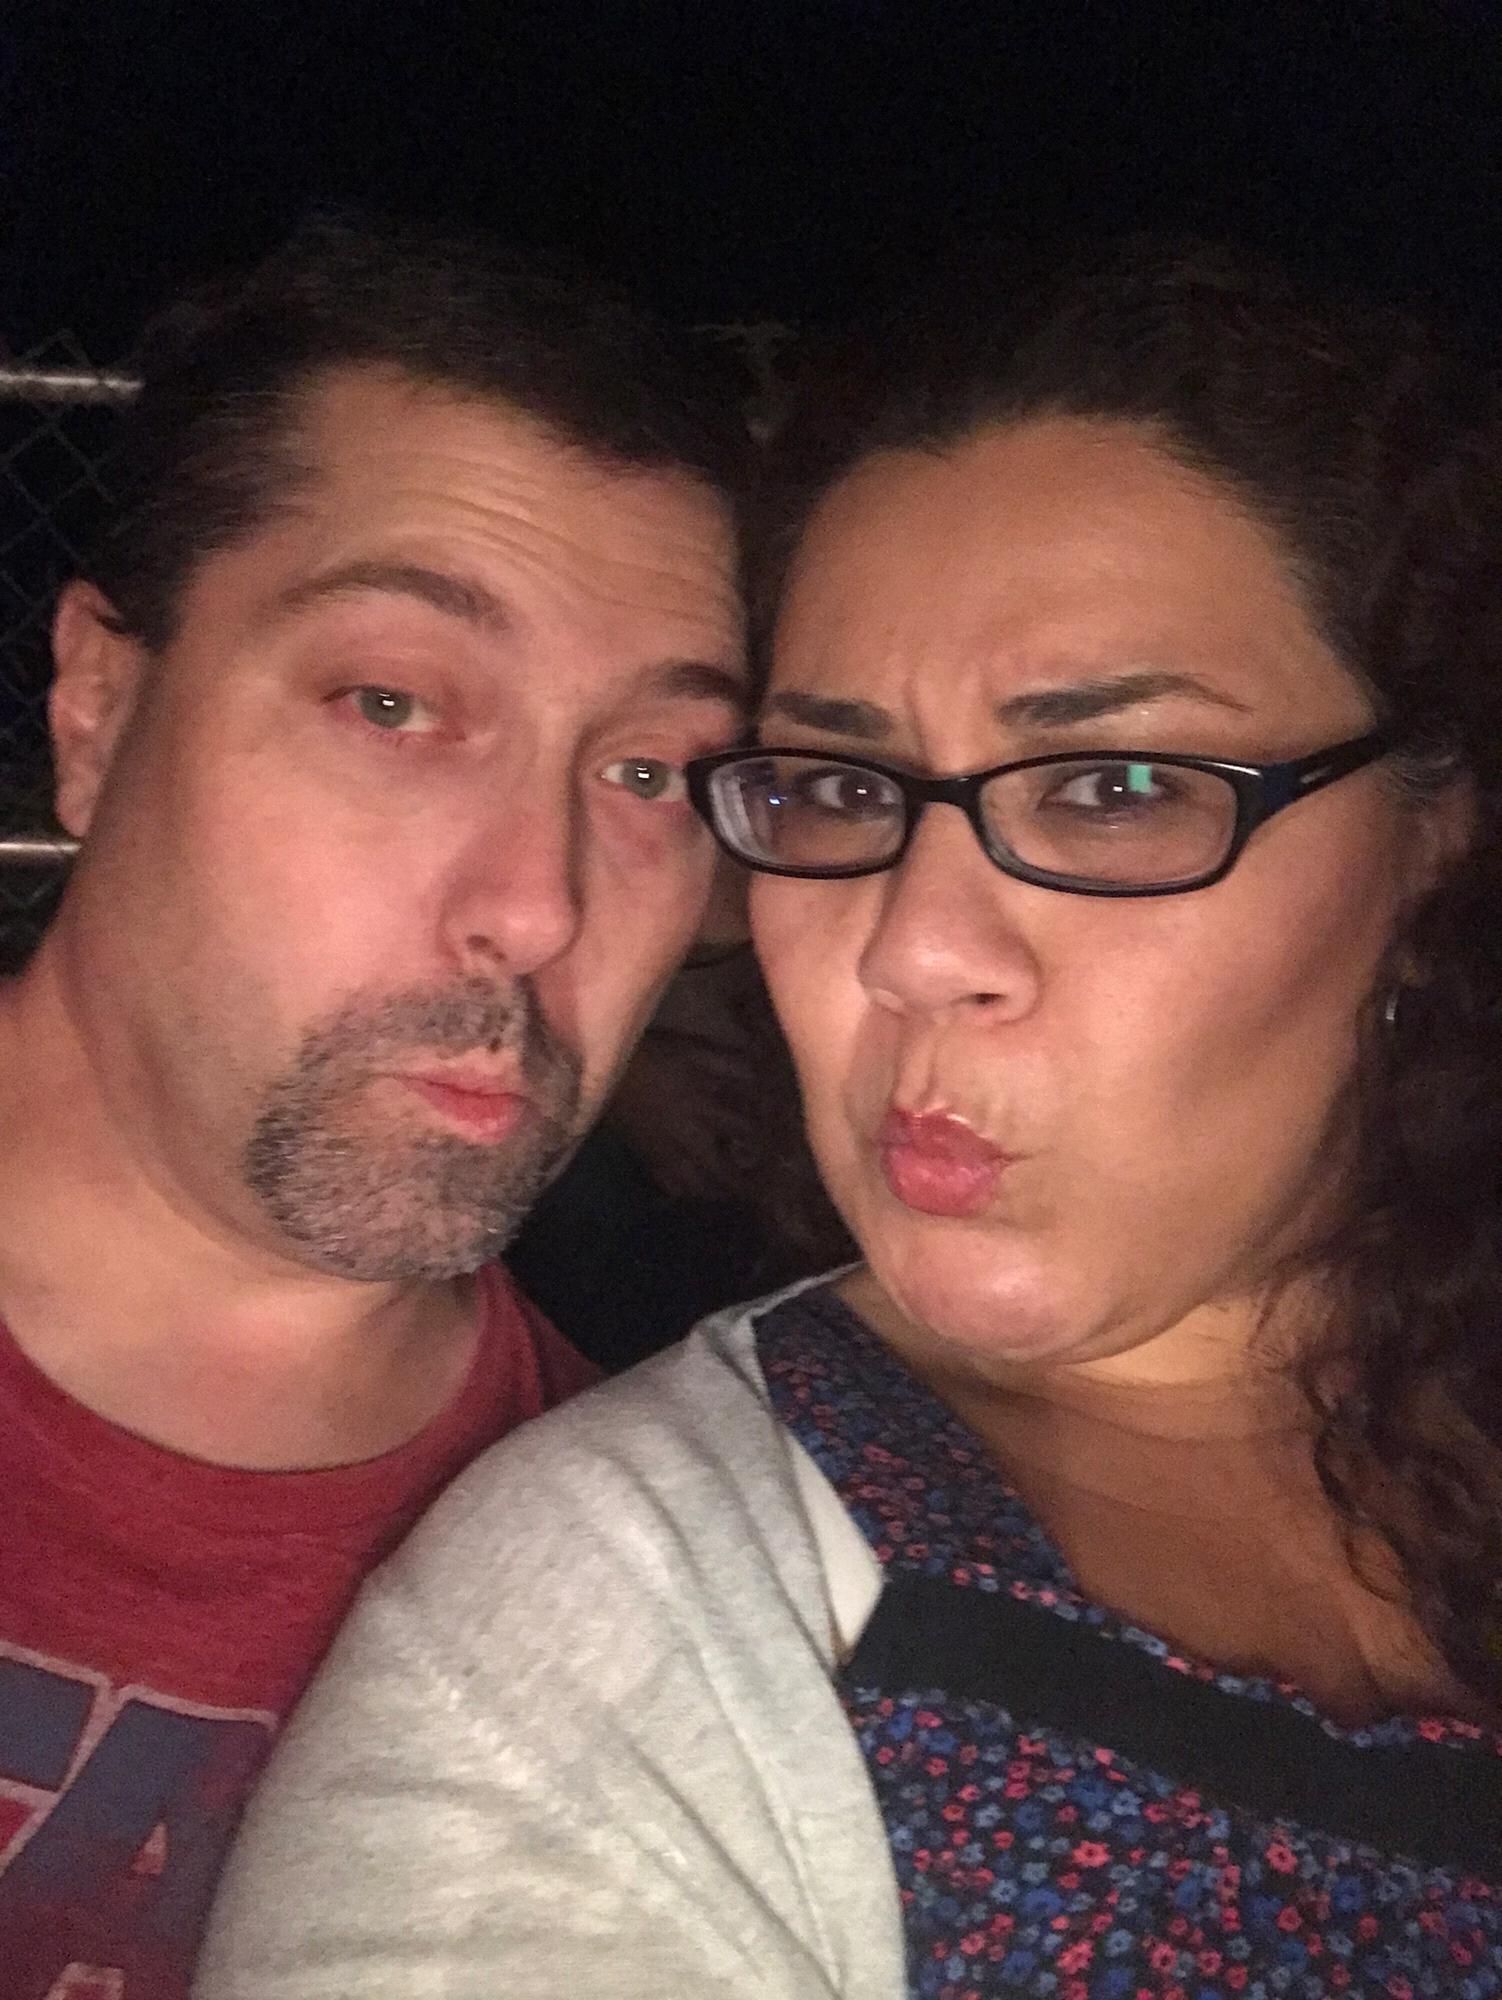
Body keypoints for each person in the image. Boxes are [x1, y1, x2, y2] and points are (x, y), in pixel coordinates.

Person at [197, 243, 1502, 2000]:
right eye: (837, 788)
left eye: (1112, 786)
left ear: (1433, 837)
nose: (910, 944)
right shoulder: (627, 1632)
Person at [0, 212, 747, 1997]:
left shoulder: (658, 1603)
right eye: (393, 703)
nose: (538, 904)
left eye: (648, 771)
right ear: (98, 709)